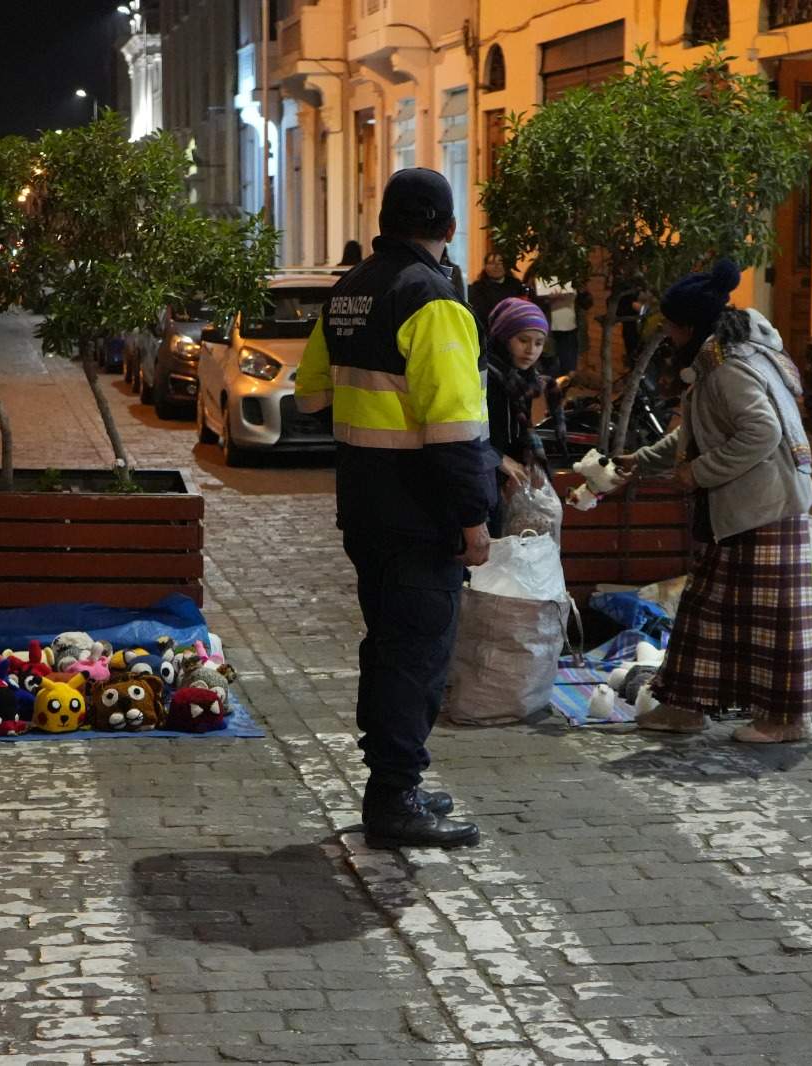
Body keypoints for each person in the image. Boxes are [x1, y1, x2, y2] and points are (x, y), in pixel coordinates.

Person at [295, 168, 493, 850]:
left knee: (386, 647)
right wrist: (474, 519)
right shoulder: (431, 299)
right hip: (422, 514)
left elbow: (311, 396)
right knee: (415, 656)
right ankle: (393, 798)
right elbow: (456, 432)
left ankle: (394, 781)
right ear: (448, 227)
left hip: (366, 507)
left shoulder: (349, 289)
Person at [615, 260, 812, 744]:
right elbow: (699, 431)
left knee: (771, 623)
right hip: (740, 508)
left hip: (765, 507)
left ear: (688, 326)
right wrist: (642, 460)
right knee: (706, 612)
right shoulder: (715, 359)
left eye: (669, 323)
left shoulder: (729, 366)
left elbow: (761, 431)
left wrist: (697, 473)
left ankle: (785, 720)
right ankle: (685, 707)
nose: (665, 332)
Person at [484, 296, 551, 533]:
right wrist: (498, 458)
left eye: (539, 343)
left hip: (505, 479)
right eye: (522, 340)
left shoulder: (524, 380)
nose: (531, 350)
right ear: (503, 338)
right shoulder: (485, 377)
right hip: (483, 479)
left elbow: (519, 430)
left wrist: (528, 462)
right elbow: (468, 431)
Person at [531, 273, 581, 375]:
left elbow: (585, 301)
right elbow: (535, 295)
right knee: (547, 363)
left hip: (568, 326)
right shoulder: (540, 273)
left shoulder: (572, 275)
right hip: (545, 327)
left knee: (567, 366)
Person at [467, 252, 528, 330]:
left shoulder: (517, 285)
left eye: (500, 263)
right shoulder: (477, 288)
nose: (496, 267)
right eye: (491, 263)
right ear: (485, 266)